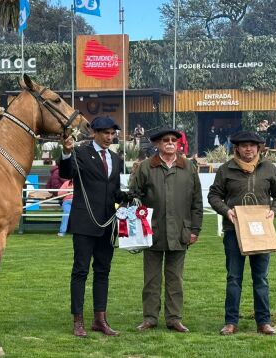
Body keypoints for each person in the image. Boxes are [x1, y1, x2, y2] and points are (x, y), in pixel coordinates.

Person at [207, 131, 276, 336]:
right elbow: (214, 195)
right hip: (234, 232)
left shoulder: (268, 168)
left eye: (252, 145)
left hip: (261, 232)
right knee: (234, 277)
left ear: (259, 147)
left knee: (261, 278)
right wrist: (227, 211)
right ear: (237, 148)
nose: (248, 149)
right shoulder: (226, 169)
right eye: (244, 145)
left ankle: (264, 322)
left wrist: (273, 211)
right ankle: (231, 322)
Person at [58, 115, 131, 338]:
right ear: (95, 134)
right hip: (84, 222)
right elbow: (65, 173)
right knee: (80, 271)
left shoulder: (116, 159)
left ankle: (100, 319)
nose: (109, 138)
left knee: (103, 271)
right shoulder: (80, 153)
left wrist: (130, 196)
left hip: (108, 223)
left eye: (112, 134)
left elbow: (114, 191)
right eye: (105, 133)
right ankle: (78, 320)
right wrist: (67, 152)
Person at [128, 128, 203, 334]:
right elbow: (134, 196)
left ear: (178, 144)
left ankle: (174, 319)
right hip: (151, 231)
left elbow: (197, 202)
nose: (170, 143)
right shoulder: (145, 167)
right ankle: (150, 318)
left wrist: (194, 229)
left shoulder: (189, 167)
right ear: (157, 144)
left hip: (180, 232)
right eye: (165, 140)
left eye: (173, 140)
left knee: (175, 278)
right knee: (151, 278)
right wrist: (136, 227)